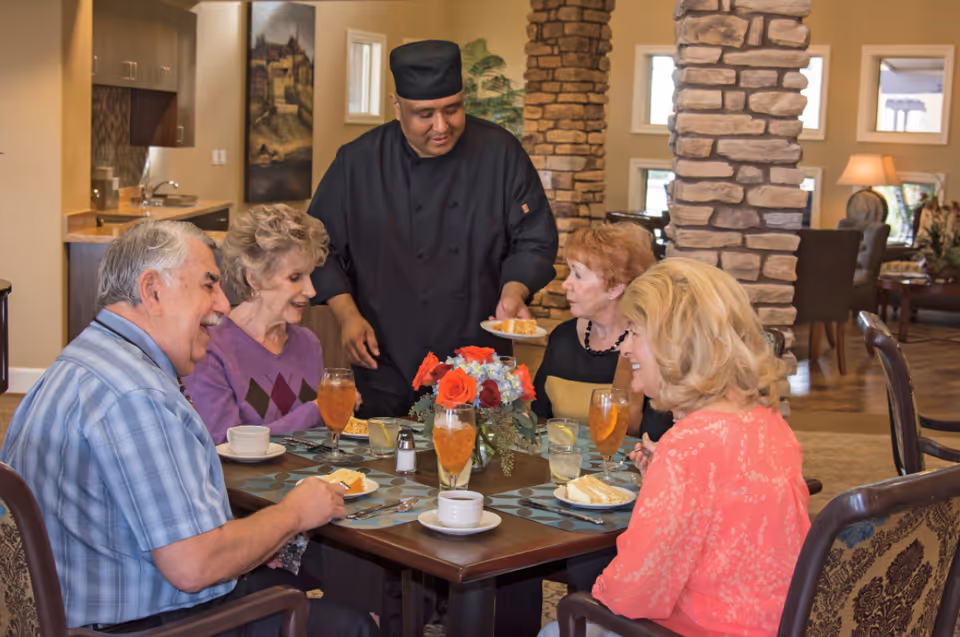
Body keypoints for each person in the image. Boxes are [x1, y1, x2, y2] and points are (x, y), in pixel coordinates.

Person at [0, 221, 376, 636]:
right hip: (138, 625)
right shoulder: (136, 395)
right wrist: (294, 513)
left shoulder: (81, 360)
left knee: (281, 584)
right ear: (152, 290)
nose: (223, 304)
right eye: (208, 285)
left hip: (79, 606)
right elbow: (194, 566)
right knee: (352, 625)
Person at [540, 258, 810, 637]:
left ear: (674, 343)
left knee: (559, 626)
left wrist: (597, 594)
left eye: (635, 333)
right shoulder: (770, 422)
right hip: (779, 624)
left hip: (703, 629)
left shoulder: (688, 446)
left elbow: (635, 593)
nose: (628, 349)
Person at [308, 39, 559, 418]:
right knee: (378, 468)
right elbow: (319, 247)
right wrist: (346, 315)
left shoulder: (500, 154)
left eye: (452, 109)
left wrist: (513, 293)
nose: (441, 126)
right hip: (383, 358)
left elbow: (534, 239)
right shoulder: (358, 163)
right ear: (396, 106)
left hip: (477, 365)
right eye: (424, 114)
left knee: (477, 471)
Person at [183, 204, 331, 444]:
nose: (311, 290)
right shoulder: (209, 348)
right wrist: (315, 410)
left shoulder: (308, 344)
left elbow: (322, 438)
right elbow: (225, 445)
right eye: (295, 277)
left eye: (310, 275)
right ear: (254, 278)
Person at [532, 223, 672, 440]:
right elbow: (538, 417)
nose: (565, 284)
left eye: (578, 275)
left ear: (615, 288)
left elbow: (658, 439)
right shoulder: (562, 338)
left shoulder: (648, 350)